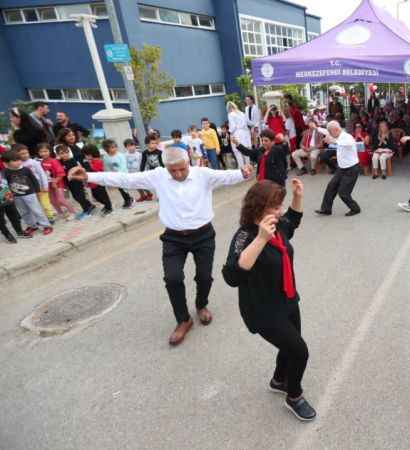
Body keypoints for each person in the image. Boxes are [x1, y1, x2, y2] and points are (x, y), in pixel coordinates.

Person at [68, 147, 253, 346]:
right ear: (166, 167)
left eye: (182, 169)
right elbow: (125, 179)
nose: (178, 174)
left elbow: (228, 176)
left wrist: (243, 172)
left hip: (204, 236)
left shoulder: (203, 175)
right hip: (173, 238)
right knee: (172, 279)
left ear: (188, 162)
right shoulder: (157, 176)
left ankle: (201, 305)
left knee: (204, 276)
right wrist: (89, 175)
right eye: (173, 171)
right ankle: (183, 320)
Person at [222, 178, 315, 421]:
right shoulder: (245, 235)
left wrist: (298, 196)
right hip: (262, 309)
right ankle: (294, 396)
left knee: (290, 345)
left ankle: (279, 379)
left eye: (280, 205)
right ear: (257, 207)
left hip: (287, 299)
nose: (280, 211)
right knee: (300, 351)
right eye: (274, 207)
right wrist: (261, 238)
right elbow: (232, 276)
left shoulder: (277, 223)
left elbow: (292, 222)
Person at [315, 121, 361, 217]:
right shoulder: (335, 133)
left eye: (331, 133)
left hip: (351, 169)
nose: (330, 135)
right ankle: (326, 209)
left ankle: (355, 209)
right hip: (341, 168)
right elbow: (326, 131)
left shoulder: (347, 137)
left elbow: (347, 143)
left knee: (343, 192)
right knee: (331, 186)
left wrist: (333, 141)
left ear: (335, 130)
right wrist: (316, 127)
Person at [2, 150, 52, 236]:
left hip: (30, 194)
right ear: (6, 163)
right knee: (24, 212)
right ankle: (32, 225)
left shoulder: (26, 169)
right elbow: (4, 184)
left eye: (19, 159)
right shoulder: (5, 172)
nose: (18, 162)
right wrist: (7, 195)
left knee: (36, 210)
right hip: (16, 196)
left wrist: (38, 191)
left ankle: (46, 225)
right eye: (15, 160)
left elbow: (34, 180)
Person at [17, 144, 55, 222]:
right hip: (30, 189)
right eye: (22, 153)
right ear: (17, 155)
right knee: (35, 205)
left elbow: (42, 174)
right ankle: (40, 218)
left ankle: (50, 216)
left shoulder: (34, 162)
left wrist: (45, 186)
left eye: (26, 153)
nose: (25, 155)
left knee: (45, 203)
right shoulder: (18, 164)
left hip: (40, 187)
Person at [38, 143, 75, 221]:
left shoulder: (54, 161)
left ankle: (72, 212)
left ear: (49, 151)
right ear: (39, 153)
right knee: (52, 200)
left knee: (61, 199)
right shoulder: (41, 162)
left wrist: (55, 181)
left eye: (45, 151)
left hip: (58, 184)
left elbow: (61, 173)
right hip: (48, 184)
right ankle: (60, 213)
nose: (43, 153)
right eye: (41, 151)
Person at [56, 145, 94, 219]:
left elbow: (78, 170)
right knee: (75, 197)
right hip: (69, 183)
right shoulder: (60, 162)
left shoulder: (72, 160)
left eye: (66, 152)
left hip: (76, 181)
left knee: (80, 196)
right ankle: (89, 206)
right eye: (61, 153)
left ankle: (87, 208)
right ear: (58, 155)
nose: (64, 154)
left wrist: (80, 179)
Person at [81, 144, 114, 216]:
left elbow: (95, 170)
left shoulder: (97, 161)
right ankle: (106, 205)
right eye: (85, 155)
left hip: (99, 183)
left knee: (103, 196)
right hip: (92, 183)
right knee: (96, 197)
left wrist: (88, 165)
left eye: (87, 155)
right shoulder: (89, 161)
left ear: (92, 153)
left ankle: (109, 207)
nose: (86, 157)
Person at [101, 140, 134, 209]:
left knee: (124, 188)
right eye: (112, 147)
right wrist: (109, 175)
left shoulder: (120, 155)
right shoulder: (106, 157)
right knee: (120, 189)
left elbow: (123, 165)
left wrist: (119, 173)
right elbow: (107, 167)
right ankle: (128, 199)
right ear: (106, 149)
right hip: (115, 176)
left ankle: (129, 199)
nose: (115, 149)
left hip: (123, 174)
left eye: (115, 147)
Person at [0, 171, 27, 243]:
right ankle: (8, 235)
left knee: (14, 216)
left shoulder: (2, 173)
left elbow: (8, 183)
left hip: (7, 197)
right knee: (1, 221)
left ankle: (20, 232)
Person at [227, 101, 250, 168]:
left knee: (237, 152)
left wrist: (229, 132)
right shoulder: (242, 113)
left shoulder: (230, 114)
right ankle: (248, 167)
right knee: (245, 151)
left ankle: (242, 169)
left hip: (236, 133)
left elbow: (233, 126)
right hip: (244, 133)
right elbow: (246, 124)